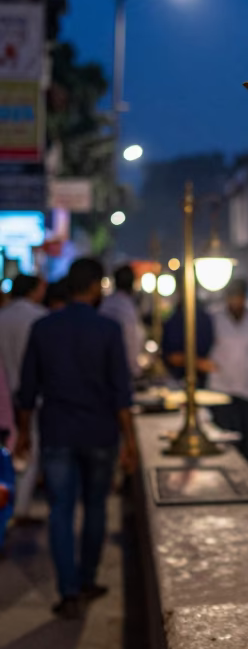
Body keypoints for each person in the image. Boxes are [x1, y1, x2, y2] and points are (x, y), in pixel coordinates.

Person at [15, 257, 137, 619]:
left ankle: (68, 591)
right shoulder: (108, 329)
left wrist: (24, 434)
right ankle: (87, 579)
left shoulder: (44, 328)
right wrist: (128, 442)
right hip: (100, 433)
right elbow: (121, 393)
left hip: (57, 432)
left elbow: (27, 391)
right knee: (95, 507)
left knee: (61, 511)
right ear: (96, 286)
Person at [0, 274, 47, 523]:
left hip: (3, 395)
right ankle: (19, 509)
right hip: (30, 394)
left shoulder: (3, 315)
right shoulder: (39, 317)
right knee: (29, 447)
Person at [208, 279, 248, 471]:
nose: (236, 301)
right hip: (222, 386)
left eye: (240, 296)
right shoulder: (214, 317)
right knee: (227, 439)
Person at [162, 291, 214, 388]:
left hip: (203, 381)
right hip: (177, 379)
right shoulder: (174, 321)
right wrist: (198, 363)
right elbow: (172, 356)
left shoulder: (205, 319)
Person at [100, 263, 144, 378]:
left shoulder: (106, 303)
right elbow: (131, 341)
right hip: (121, 370)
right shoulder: (127, 307)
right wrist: (135, 370)